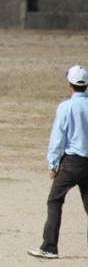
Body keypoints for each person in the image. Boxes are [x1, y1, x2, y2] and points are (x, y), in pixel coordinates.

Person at [28, 65, 88, 259]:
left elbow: (58, 138)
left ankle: (49, 246)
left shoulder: (66, 107)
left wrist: (53, 165)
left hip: (72, 162)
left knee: (55, 200)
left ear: (70, 84)